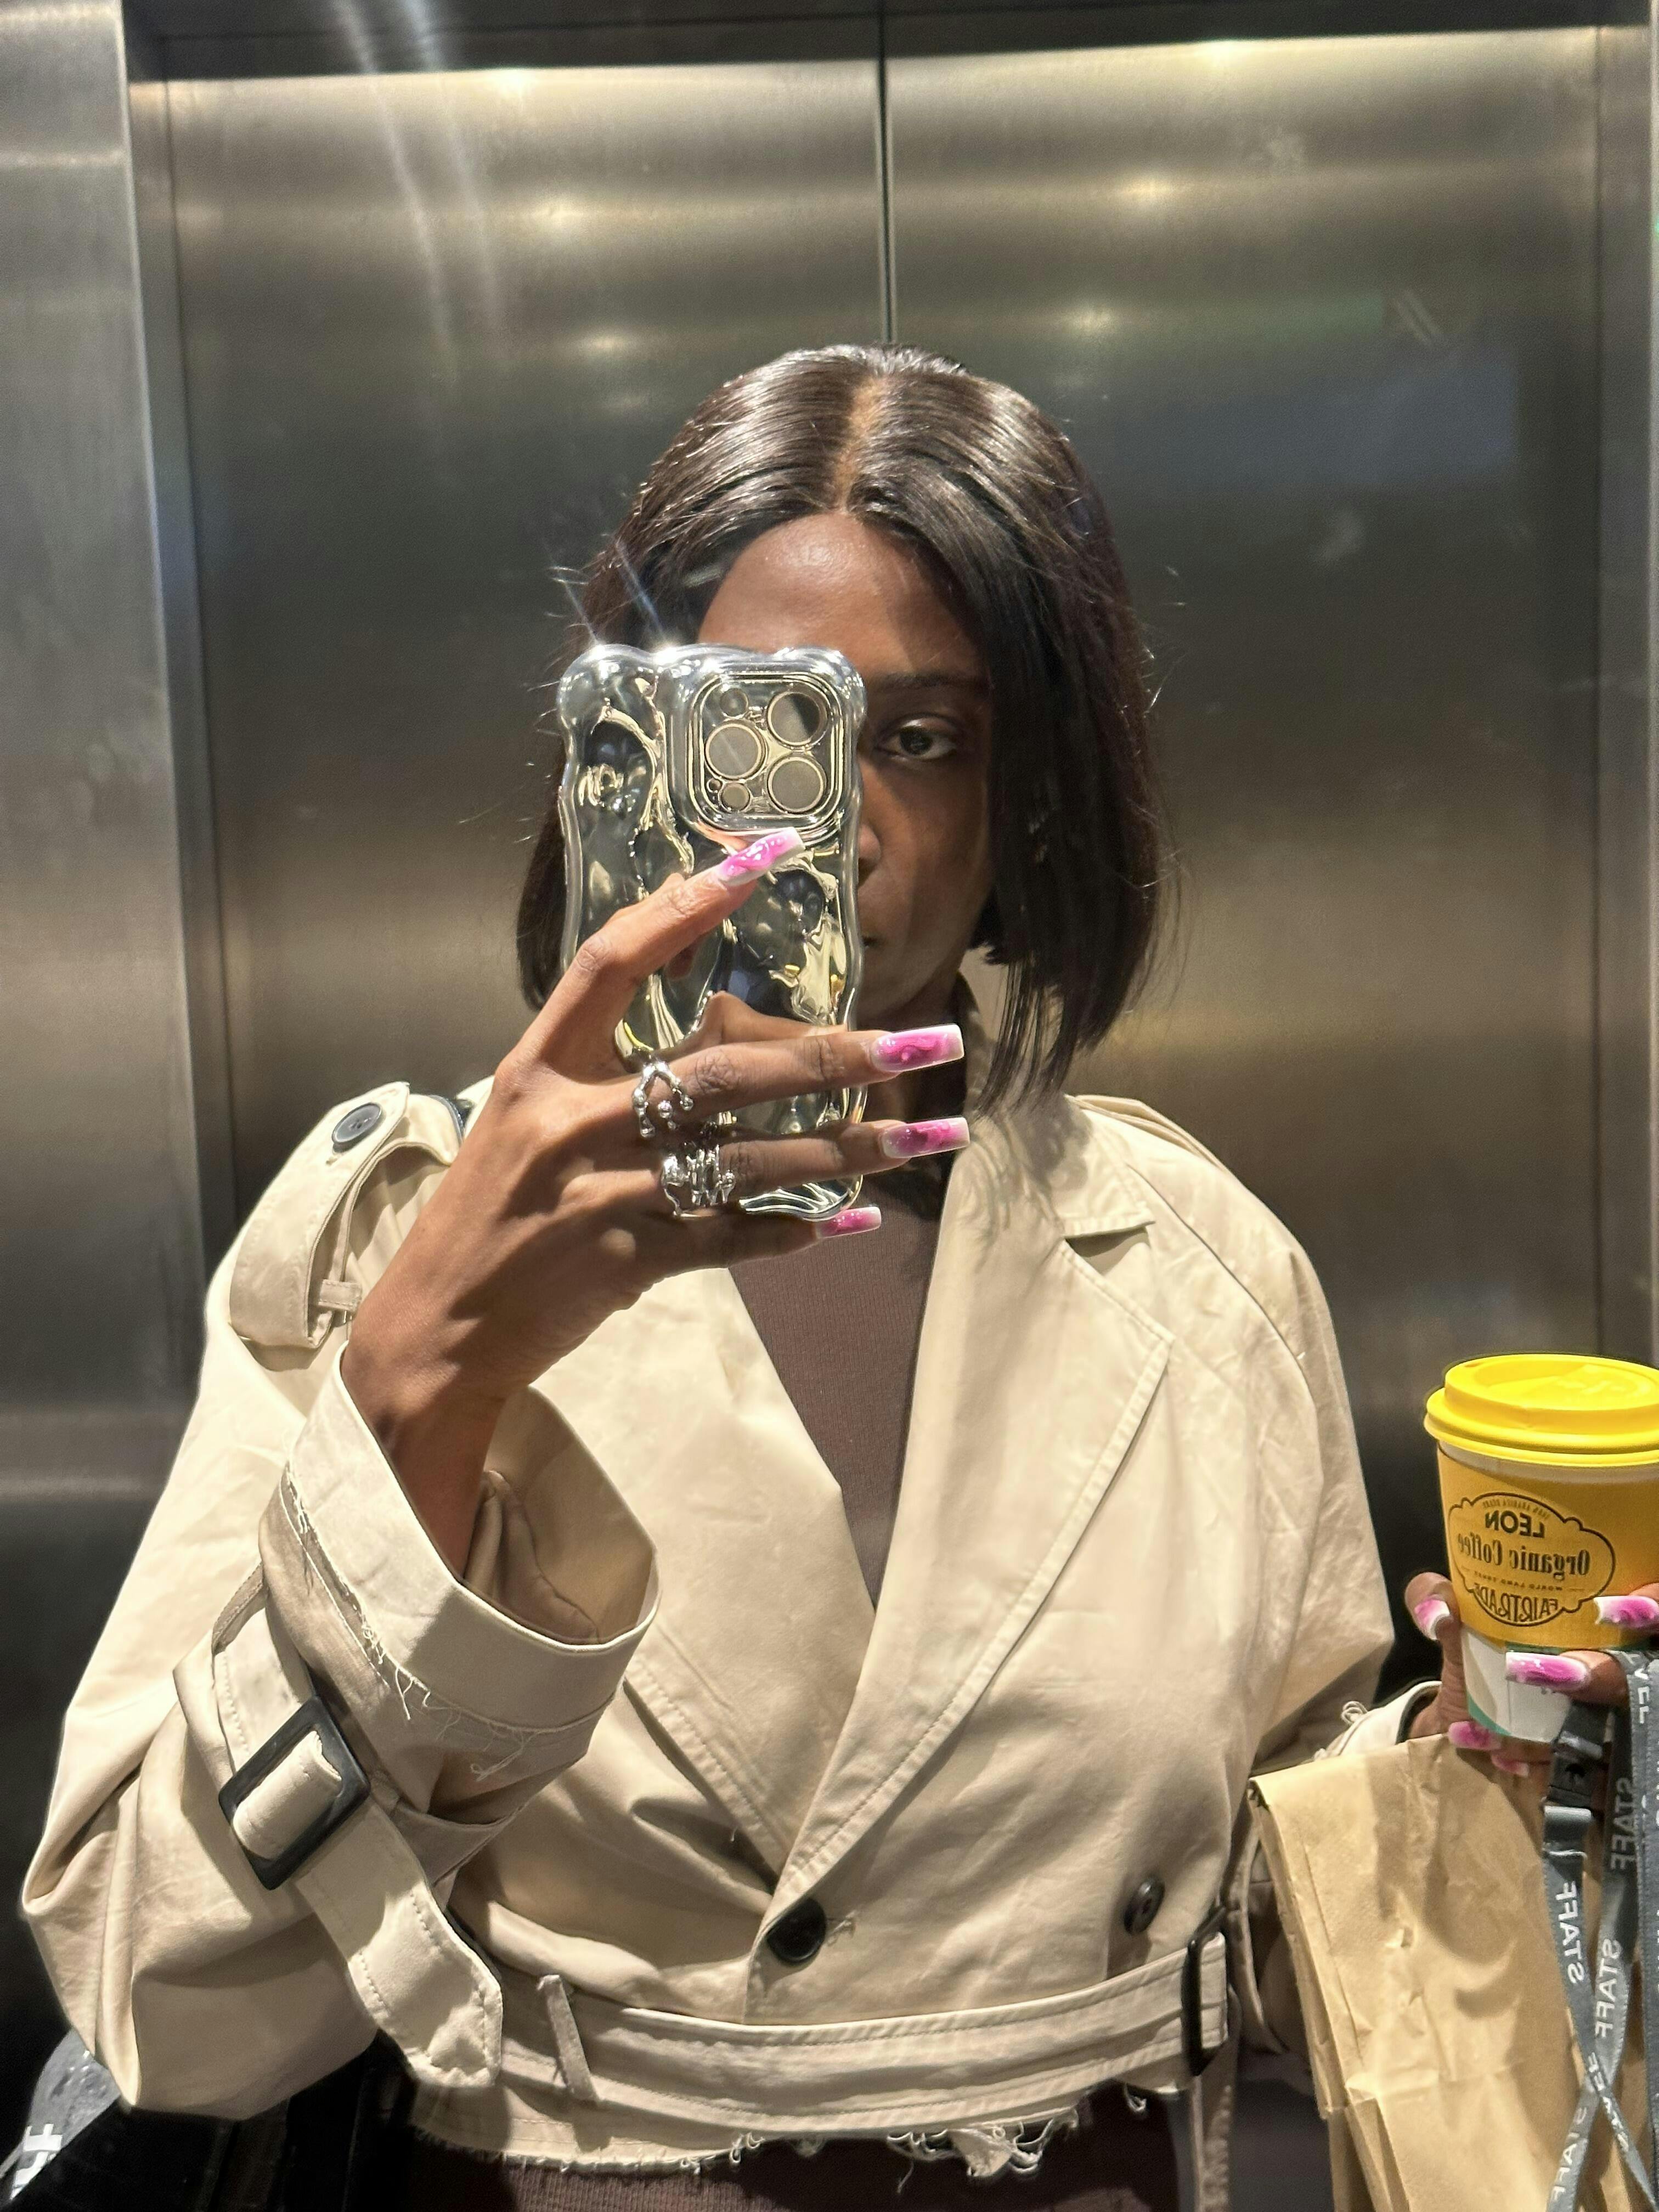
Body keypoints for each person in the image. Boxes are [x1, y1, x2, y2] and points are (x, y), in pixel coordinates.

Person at [24, 344, 1538, 2212]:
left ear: (1032, 796)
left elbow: (1298, 1938)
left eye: (923, 739)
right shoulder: (393, 1235)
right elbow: (158, 1990)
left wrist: (1502, 1768)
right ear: (620, 754)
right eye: (756, 726)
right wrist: (421, 1385)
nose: (833, 828)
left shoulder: (1206, 1274)